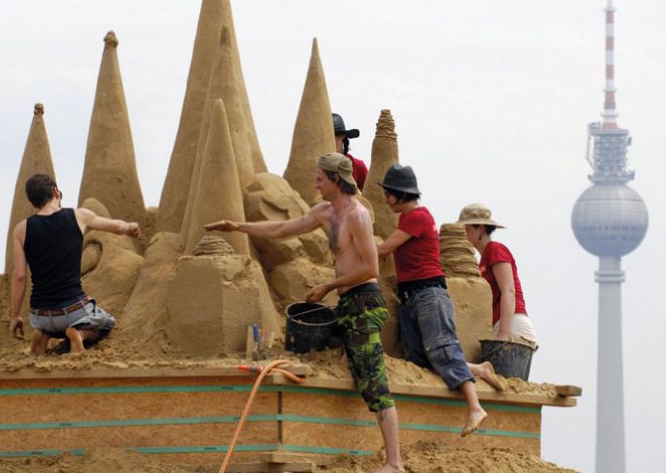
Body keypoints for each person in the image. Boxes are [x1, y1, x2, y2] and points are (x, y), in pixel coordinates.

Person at [206, 152, 402, 473]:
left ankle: (395, 462)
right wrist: (237, 226)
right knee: (314, 344)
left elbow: (370, 268)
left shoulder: (359, 216)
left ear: (336, 181)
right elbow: (282, 228)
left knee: (373, 378)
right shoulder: (325, 212)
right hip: (345, 303)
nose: (315, 183)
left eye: (320, 178)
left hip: (364, 302)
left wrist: (327, 285)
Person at [376, 164, 502, 437]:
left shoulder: (417, 217)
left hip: (428, 294)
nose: (385, 200)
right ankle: (478, 369)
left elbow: (384, 249)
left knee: (442, 348)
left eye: (388, 194)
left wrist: (354, 246)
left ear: (399, 194)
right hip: (411, 297)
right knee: (419, 358)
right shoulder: (407, 219)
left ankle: (475, 407)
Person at [9, 173, 140, 355]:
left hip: (40, 315)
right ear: (56, 192)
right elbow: (116, 227)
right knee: (107, 322)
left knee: (48, 324)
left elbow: (20, 276)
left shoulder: (21, 229)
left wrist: (15, 316)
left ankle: (43, 335)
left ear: (33, 201)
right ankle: (78, 333)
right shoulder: (79, 216)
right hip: (73, 310)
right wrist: (130, 226)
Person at [457, 203, 538, 344]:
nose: (463, 233)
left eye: (466, 229)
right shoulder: (483, 260)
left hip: (512, 325)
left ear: (480, 229)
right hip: (500, 324)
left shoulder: (495, 250)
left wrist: (503, 333)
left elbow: (509, 291)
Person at [333, 113, 368, 191]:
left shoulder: (358, 166)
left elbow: (370, 196)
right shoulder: (319, 166)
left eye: (332, 136)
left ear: (342, 136)